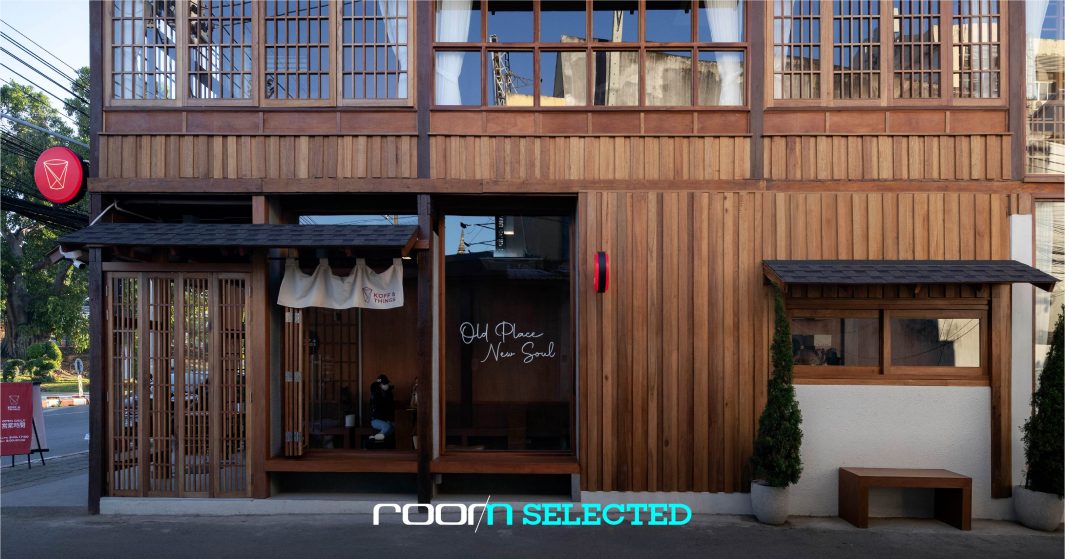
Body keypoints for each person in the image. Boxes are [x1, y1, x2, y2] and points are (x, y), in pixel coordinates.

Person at [369, 374, 395, 441]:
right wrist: (387, 420)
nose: (386, 385)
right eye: (384, 384)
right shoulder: (375, 395)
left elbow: (390, 408)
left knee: (395, 427)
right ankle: (374, 439)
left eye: (387, 383)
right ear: (379, 385)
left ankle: (377, 438)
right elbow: (377, 410)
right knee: (387, 427)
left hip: (386, 419)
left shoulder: (388, 394)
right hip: (376, 420)